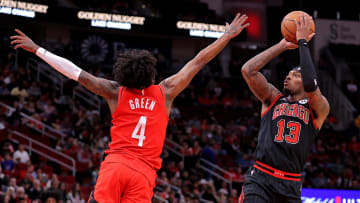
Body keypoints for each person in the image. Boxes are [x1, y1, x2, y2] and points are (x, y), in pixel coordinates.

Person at [11, 13, 249, 202]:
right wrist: (226, 36)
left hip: (116, 165)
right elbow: (198, 60)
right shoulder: (166, 91)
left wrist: (37, 49)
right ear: (151, 73)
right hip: (143, 173)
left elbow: (75, 72)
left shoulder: (115, 92)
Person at [238, 14, 329, 202]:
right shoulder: (273, 98)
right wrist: (282, 46)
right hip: (260, 179)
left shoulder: (319, 107)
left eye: (295, 75)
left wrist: (303, 43)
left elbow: (311, 85)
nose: (287, 77)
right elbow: (248, 70)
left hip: (290, 184)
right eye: (287, 74)